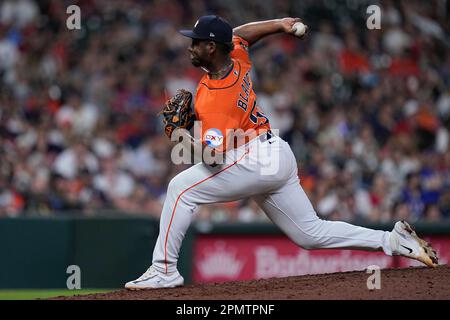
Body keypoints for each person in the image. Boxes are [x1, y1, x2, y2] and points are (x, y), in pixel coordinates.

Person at [125, 15, 438, 290]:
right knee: (310, 234)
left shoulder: (216, 98)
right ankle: (394, 240)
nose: (190, 47)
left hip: (253, 160)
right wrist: (279, 25)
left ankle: (163, 270)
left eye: (195, 43)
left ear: (211, 48)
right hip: (275, 153)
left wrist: (179, 135)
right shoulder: (234, 55)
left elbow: (213, 158)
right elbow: (242, 34)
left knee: (180, 189)